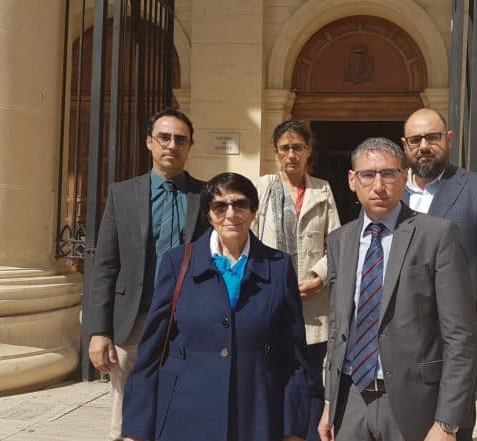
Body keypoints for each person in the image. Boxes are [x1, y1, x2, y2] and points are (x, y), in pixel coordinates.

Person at [121, 172, 312, 441]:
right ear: (209, 215)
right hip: (183, 416)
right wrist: (135, 430)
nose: (230, 214)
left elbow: (294, 357)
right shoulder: (178, 263)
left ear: (253, 210)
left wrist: (293, 430)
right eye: (220, 206)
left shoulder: (278, 267)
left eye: (240, 204)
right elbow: (151, 352)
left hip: (255, 416)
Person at [318, 137, 477, 441]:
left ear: (404, 178)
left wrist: (447, 423)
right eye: (367, 175)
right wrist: (330, 402)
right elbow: (339, 325)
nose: (378, 186)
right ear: (352, 180)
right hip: (352, 397)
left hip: (414, 403)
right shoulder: (340, 241)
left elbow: (460, 336)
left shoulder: (437, 236)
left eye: (389, 174)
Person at [85, 108, 208, 440]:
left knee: (182, 403)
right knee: (128, 408)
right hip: (133, 320)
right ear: (149, 142)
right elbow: (105, 266)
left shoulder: (204, 196)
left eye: (180, 139)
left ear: (190, 145)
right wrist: (99, 330)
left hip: (186, 319)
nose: (172, 145)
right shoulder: (122, 194)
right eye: (164, 138)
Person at [402, 108, 477, 441]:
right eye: (415, 140)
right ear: (405, 145)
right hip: (401, 338)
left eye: (432, 137)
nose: (424, 146)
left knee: (453, 426)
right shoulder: (391, 192)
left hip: (456, 338)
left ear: (449, 139)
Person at [253, 120, 341, 440]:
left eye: (298, 148)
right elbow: (249, 240)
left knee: (311, 378)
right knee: (273, 373)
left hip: (312, 303)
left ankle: (310, 433)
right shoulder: (263, 188)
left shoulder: (322, 190)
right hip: (271, 301)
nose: (292, 154)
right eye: (285, 148)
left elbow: (336, 244)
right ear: (276, 152)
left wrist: (319, 276)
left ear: (308, 151)